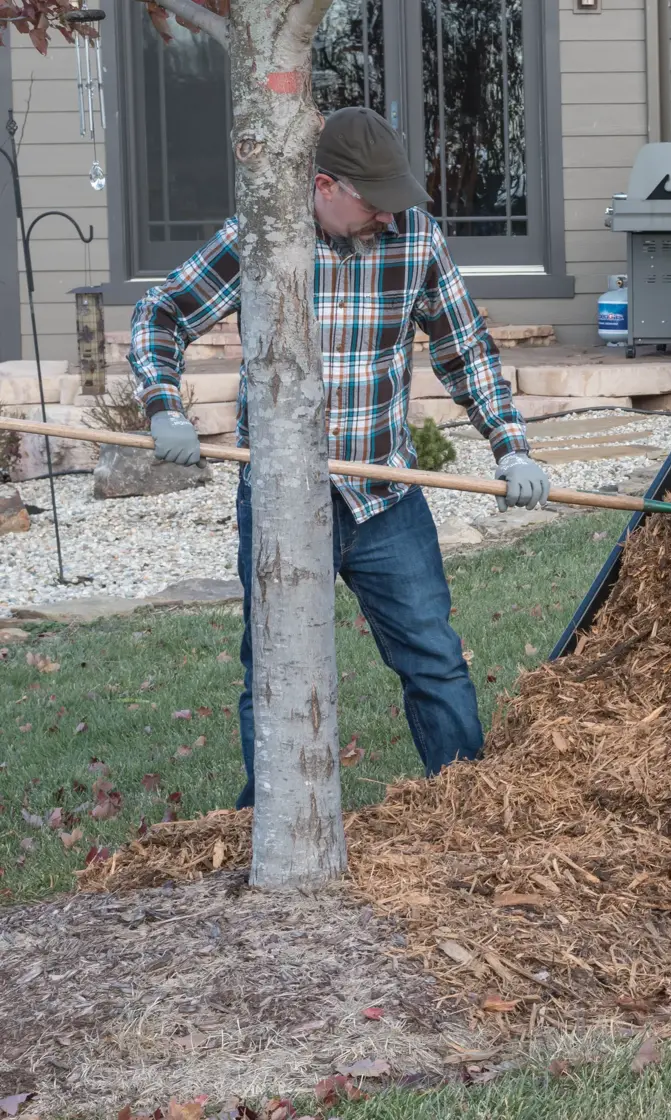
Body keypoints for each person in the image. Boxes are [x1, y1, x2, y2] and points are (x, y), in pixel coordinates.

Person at [127, 106, 551, 810]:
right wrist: (163, 404)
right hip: (284, 499)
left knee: (435, 660)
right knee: (276, 671)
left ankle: (472, 814)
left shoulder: (414, 238)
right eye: (376, 202)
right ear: (324, 185)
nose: (390, 216)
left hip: (385, 497)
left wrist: (512, 449)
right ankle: (271, 826)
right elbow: (162, 313)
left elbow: (465, 350)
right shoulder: (260, 239)